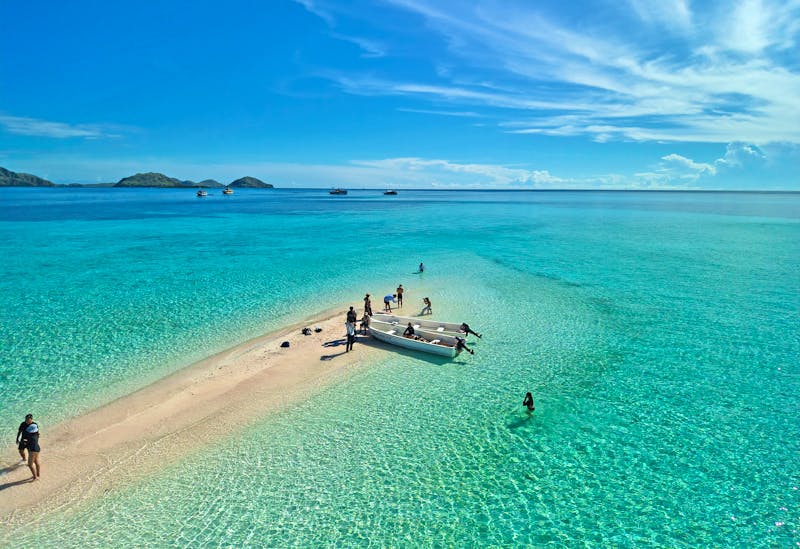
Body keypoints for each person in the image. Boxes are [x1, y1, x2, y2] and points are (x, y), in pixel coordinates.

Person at [23, 415, 41, 480]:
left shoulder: (30, 436)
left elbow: (26, 442)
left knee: (30, 465)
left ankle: (35, 477)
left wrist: (24, 442)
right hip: (37, 448)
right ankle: (38, 474)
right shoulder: (36, 434)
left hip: (32, 450)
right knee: (36, 462)